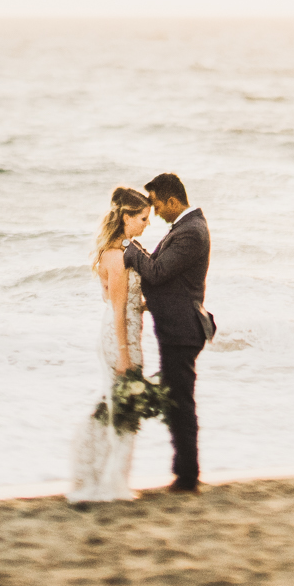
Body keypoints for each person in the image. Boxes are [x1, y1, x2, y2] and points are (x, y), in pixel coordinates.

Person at [123, 172, 212, 493]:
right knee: (176, 399)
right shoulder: (185, 229)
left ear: (173, 201)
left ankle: (187, 476)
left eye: (158, 205)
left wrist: (130, 249)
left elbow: (158, 273)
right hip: (177, 327)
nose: (156, 212)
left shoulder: (192, 232)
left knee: (181, 401)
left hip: (183, 328)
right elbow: (167, 276)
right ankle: (184, 471)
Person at [66, 186, 151, 503]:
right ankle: (109, 481)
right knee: (124, 406)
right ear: (126, 217)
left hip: (125, 332)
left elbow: (124, 302)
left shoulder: (121, 251)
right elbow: (116, 308)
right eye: (142, 218)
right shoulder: (115, 257)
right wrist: (125, 354)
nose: (146, 224)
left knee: (117, 405)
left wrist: (142, 306)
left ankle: (103, 475)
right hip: (120, 338)